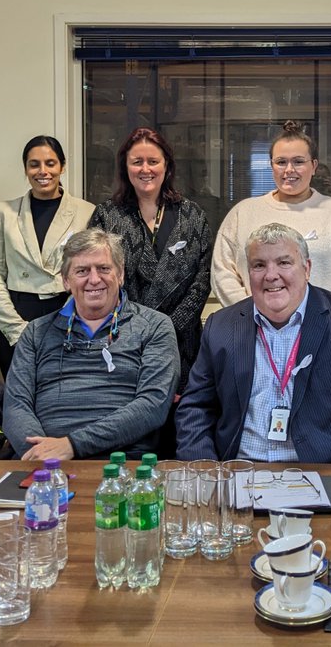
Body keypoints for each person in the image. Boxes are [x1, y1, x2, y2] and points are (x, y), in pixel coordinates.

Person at [176, 223, 331, 464]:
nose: (271, 275)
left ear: (307, 269)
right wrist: (206, 474)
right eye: (259, 265)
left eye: (284, 263)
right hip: (239, 472)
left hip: (323, 473)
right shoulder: (221, 326)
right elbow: (195, 409)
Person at [2, 228, 179, 461]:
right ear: (66, 280)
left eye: (104, 269)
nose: (94, 279)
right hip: (42, 465)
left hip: (122, 464)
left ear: (121, 274)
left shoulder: (154, 326)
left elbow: (152, 406)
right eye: (82, 271)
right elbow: (16, 407)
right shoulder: (36, 332)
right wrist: (43, 455)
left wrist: (72, 446)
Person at [90, 128, 211, 456]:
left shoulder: (192, 215)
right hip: (124, 338)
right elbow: (99, 276)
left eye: (153, 161)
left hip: (183, 341)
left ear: (167, 166)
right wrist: (139, 329)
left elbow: (203, 280)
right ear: (125, 167)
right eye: (137, 161)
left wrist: (166, 329)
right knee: (132, 430)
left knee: (178, 430)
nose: (145, 169)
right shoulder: (107, 215)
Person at [212, 121, 331, 306]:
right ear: (271, 166)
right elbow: (223, 273)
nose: (289, 170)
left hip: (325, 328)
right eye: (281, 162)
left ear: (314, 166)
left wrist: (327, 316)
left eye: (298, 161)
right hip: (252, 327)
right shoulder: (243, 213)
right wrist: (251, 315)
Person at [0, 135, 95, 378]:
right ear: (25, 168)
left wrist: (67, 321)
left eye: (50, 163)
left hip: (68, 313)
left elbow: (89, 274)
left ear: (62, 166)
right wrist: (15, 329)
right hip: (16, 313)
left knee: (63, 399)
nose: (42, 171)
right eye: (34, 164)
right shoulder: (4, 212)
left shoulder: (86, 212)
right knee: (20, 400)